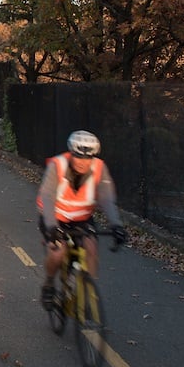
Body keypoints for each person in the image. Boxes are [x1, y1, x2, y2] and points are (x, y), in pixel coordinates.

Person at [36, 130, 129, 309]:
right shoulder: (58, 165)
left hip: (82, 218)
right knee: (57, 252)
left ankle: (86, 288)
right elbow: (47, 196)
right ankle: (48, 285)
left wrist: (116, 225)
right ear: (71, 153)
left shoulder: (99, 168)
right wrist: (51, 226)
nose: (83, 162)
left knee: (91, 248)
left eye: (88, 158)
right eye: (78, 156)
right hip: (55, 217)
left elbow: (107, 198)